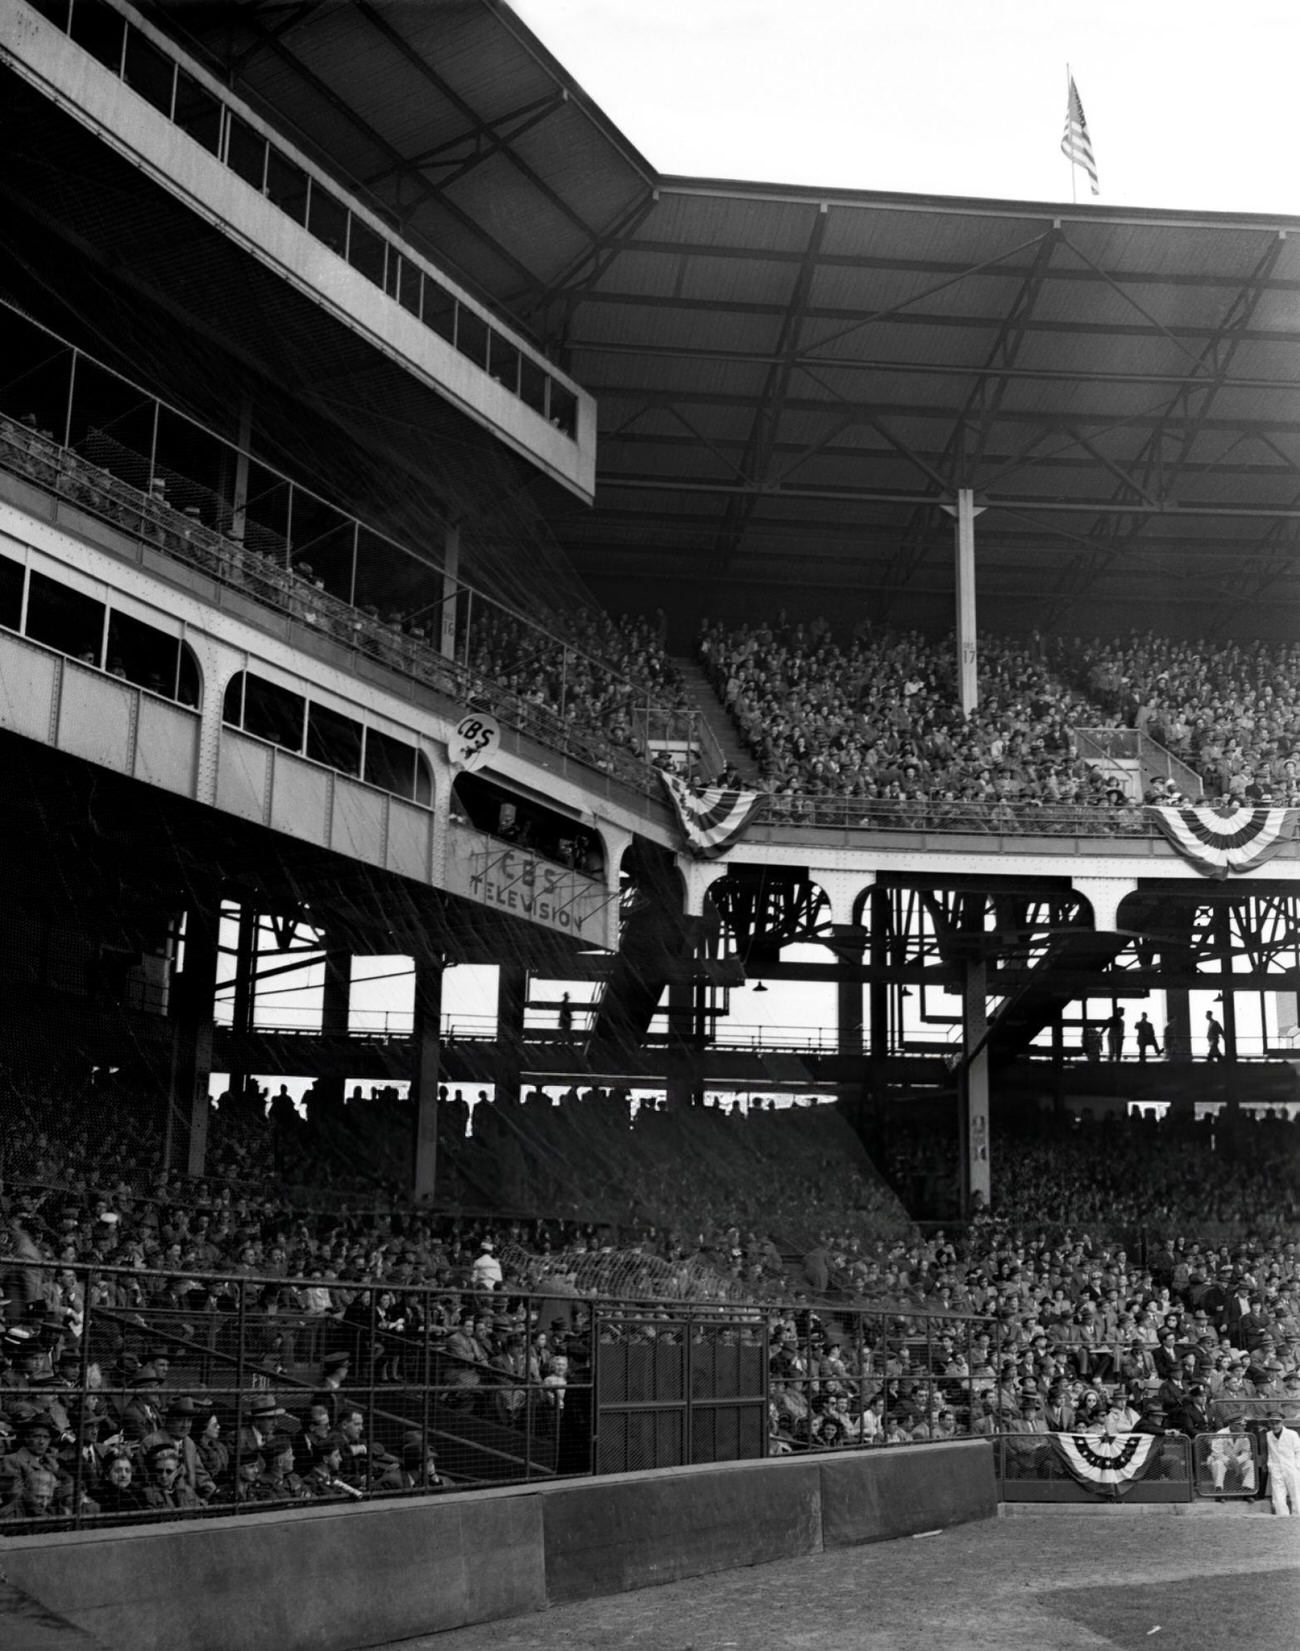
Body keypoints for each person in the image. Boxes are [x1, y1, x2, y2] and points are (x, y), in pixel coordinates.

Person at [1264, 1416, 1300, 1515]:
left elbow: (1298, 1451)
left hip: (1291, 1467)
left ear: (1282, 1423)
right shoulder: (1268, 1435)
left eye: (1277, 1423)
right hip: (1276, 1468)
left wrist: (1297, 1467)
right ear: (1269, 1424)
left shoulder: (1292, 1434)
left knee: (1296, 1494)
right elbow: (1270, 1453)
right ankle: (1282, 1517)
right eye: (1272, 1423)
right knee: (1278, 1496)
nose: (1275, 1426)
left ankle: (1298, 1517)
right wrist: (1271, 1466)